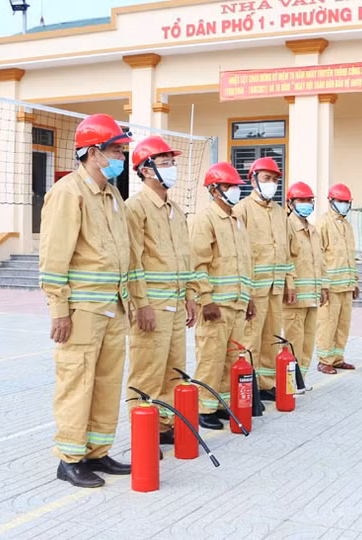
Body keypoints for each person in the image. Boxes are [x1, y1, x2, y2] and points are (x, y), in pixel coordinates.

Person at [39, 113, 133, 488]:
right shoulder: (68, 193)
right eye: (116, 150)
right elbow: (53, 258)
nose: (121, 157)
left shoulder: (112, 195)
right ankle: (70, 458)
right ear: (94, 152)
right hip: (82, 311)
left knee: (107, 382)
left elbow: (124, 252)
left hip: (113, 308)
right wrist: (59, 310)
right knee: (77, 382)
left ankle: (96, 451)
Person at [124, 136, 197, 450]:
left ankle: (164, 425)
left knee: (173, 370)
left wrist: (191, 296)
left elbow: (187, 257)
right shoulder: (135, 208)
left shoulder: (175, 210)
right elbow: (131, 260)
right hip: (151, 304)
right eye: (165, 162)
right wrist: (141, 304)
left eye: (172, 161)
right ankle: (144, 432)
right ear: (146, 169)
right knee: (147, 372)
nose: (172, 167)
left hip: (176, 303)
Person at [188, 162, 256, 430]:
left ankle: (221, 404)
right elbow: (198, 262)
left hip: (237, 304)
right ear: (214, 189)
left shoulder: (237, 220)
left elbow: (244, 263)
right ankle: (204, 407)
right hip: (216, 306)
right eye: (229, 186)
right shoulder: (205, 219)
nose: (234, 191)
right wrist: (205, 299)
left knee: (232, 358)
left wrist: (248, 297)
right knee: (210, 358)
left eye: (236, 186)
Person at [233, 157, 295, 401]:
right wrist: (244, 291)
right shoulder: (242, 210)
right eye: (267, 179)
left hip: (275, 286)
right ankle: (249, 380)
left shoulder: (280, 213)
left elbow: (287, 251)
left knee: (271, 336)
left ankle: (266, 383)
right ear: (253, 180)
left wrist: (289, 281)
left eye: (275, 180)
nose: (272, 184)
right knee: (251, 338)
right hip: (253, 289)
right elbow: (238, 252)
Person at [282, 182, 325, 391]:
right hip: (294, 298)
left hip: (312, 297)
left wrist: (323, 287)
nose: (306, 204)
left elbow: (320, 261)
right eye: (301, 200)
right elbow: (285, 259)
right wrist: (289, 284)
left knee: (308, 342)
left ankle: (301, 380)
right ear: (290, 203)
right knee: (293, 342)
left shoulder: (313, 231)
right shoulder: (286, 227)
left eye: (309, 200)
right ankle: (287, 382)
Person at [315, 183, 359, 374]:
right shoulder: (323, 224)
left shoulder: (347, 226)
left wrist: (354, 281)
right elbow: (318, 256)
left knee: (343, 325)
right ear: (331, 201)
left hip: (346, 286)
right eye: (340, 201)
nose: (343, 205)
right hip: (330, 287)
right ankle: (324, 360)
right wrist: (323, 285)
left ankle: (338, 358)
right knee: (327, 325)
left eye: (346, 202)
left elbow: (350, 256)